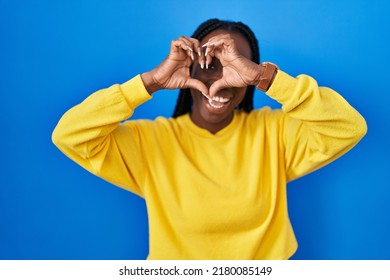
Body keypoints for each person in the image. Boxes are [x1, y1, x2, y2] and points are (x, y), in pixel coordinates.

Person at [52, 18, 367, 259]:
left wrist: (264, 77)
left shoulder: (275, 133)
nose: (222, 80)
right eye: (209, 65)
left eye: (236, 67)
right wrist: (151, 82)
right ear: (189, 67)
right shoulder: (152, 141)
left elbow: (348, 127)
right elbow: (70, 134)